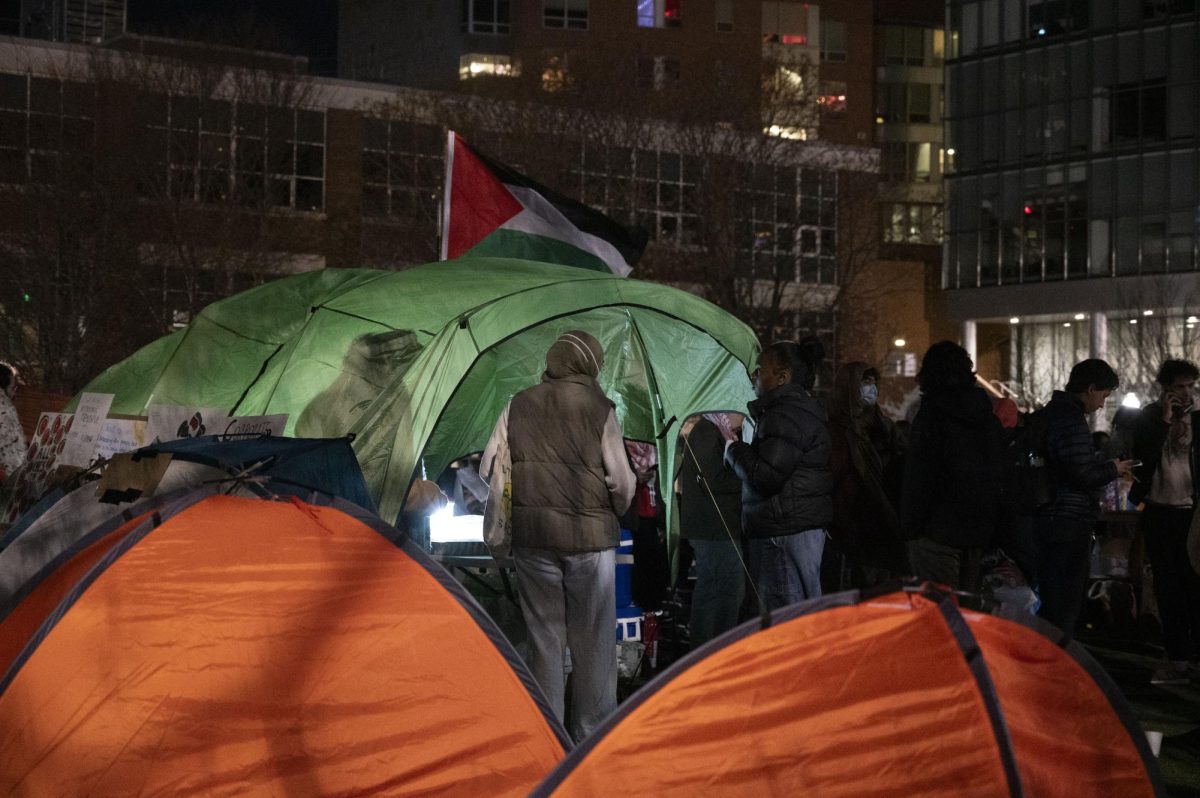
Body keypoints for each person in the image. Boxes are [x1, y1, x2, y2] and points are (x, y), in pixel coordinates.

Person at [481, 330, 635, 741]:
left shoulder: (517, 404)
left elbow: (489, 468)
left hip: (534, 541)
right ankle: (593, 737)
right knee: (594, 645)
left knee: (544, 643)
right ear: (590, 364)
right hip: (590, 542)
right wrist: (611, 508)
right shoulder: (600, 408)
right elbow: (621, 481)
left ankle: (548, 739)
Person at [724, 338, 832, 610]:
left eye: (760, 371)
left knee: (785, 620)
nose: (753, 377)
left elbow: (766, 477)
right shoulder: (795, 411)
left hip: (783, 535)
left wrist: (733, 448)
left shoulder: (784, 415)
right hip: (793, 529)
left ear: (782, 377)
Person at [1035, 359, 1133, 637]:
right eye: (1103, 395)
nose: (1102, 404)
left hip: (1050, 515)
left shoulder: (1052, 414)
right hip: (1067, 518)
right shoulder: (1070, 420)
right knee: (1064, 601)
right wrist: (1112, 468)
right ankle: (1055, 662)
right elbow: (1081, 472)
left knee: (1055, 595)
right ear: (1090, 389)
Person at [901, 341, 1003, 593]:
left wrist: (910, 526)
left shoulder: (932, 417)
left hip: (936, 532)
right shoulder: (986, 417)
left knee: (937, 614)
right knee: (967, 613)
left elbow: (920, 475)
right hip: (977, 531)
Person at [1130, 359, 1200, 684]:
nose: (1186, 393)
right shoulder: (1149, 417)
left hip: (1191, 512)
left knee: (1193, 585)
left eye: (1190, 386)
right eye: (1180, 387)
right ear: (1166, 388)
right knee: (1168, 586)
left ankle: (1190, 658)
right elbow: (1141, 461)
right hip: (1159, 510)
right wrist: (1164, 420)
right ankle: (1177, 660)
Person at [827, 362, 904, 589]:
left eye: (873, 383)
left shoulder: (883, 426)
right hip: (848, 519)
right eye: (864, 383)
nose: (871, 389)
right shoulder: (835, 428)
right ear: (850, 387)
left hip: (880, 517)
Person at [680, 413, 744, 647]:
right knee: (723, 589)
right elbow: (712, 480)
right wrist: (748, 476)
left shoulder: (714, 430)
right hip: (714, 528)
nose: (743, 419)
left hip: (715, 526)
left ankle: (709, 647)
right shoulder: (708, 431)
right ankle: (714, 649)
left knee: (716, 587)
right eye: (740, 412)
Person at [0, 362, 26, 487]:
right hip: (10, 472)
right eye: (13, 388)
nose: (15, 393)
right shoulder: (5, 406)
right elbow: (16, 443)